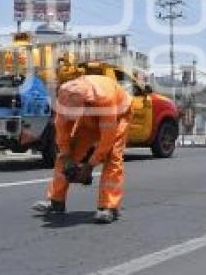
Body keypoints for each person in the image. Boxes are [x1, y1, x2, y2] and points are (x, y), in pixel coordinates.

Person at [32, 74, 132, 224]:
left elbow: (106, 141)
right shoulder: (64, 99)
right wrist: (66, 157)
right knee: (66, 155)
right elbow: (62, 133)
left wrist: (90, 166)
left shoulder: (105, 100)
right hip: (89, 115)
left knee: (112, 156)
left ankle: (108, 207)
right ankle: (56, 201)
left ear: (86, 103)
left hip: (118, 114)